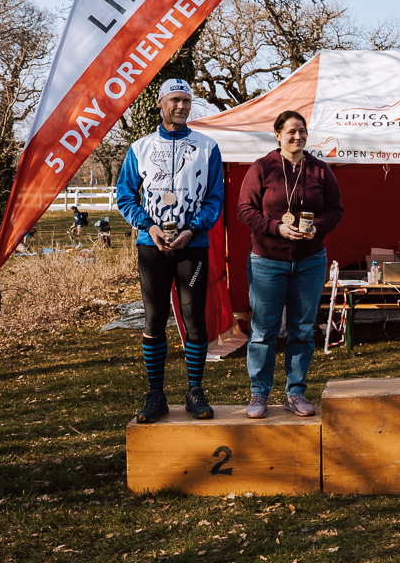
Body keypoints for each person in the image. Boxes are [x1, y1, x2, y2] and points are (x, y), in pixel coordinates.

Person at [116, 78, 224, 423]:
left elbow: (215, 198)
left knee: (193, 320)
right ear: (161, 103)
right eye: (175, 100)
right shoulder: (140, 148)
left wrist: (192, 229)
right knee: (154, 319)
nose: (181, 106)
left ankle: (195, 392)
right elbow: (125, 196)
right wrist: (149, 227)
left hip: (193, 247)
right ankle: (155, 394)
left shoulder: (208, 147)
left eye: (187, 101)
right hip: (152, 246)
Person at [237, 110, 344, 419]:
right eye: (291, 131)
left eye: (302, 131)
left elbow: (336, 210)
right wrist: (276, 228)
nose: (297, 136)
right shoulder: (262, 168)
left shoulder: (320, 170)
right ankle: (259, 394)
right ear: (278, 135)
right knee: (263, 330)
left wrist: (318, 226)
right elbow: (245, 209)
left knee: (301, 329)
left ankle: (295, 392)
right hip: (267, 260)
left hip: (310, 261)